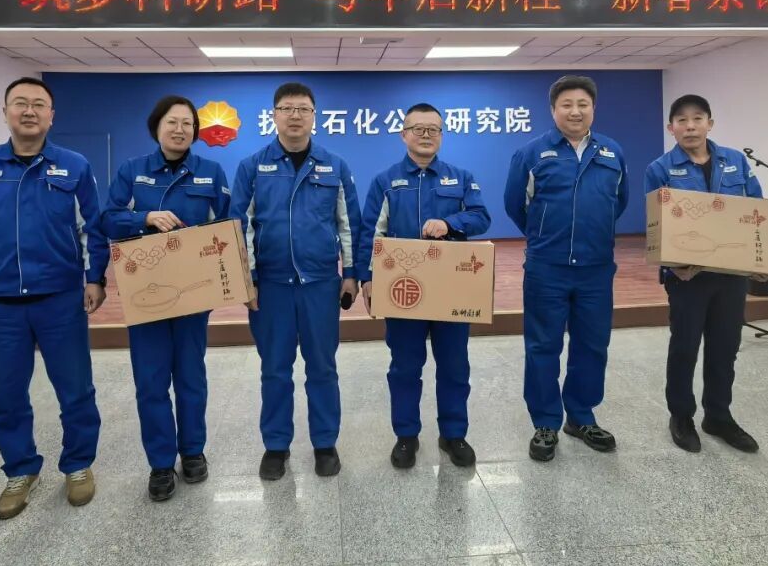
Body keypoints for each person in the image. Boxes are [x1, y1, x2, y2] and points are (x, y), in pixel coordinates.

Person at [0, 77, 108, 519]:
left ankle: (78, 464)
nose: (29, 111)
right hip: (0, 304)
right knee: (6, 395)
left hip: (60, 300)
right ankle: (20, 469)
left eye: (38, 104)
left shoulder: (73, 167)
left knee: (76, 389)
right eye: (20, 103)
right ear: (5, 113)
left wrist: (95, 278)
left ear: (52, 116)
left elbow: (91, 229)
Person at [101, 95, 230, 501]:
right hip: (145, 292)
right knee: (151, 380)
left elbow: (228, 225)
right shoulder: (132, 171)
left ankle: (192, 451)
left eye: (187, 124)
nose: (180, 130)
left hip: (192, 292)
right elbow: (107, 218)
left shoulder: (210, 172)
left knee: (191, 375)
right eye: (172, 122)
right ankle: (160, 462)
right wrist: (144, 218)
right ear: (156, 128)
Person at [230, 82, 361, 480]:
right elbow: (239, 227)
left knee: (323, 367)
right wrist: (248, 280)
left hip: (320, 284)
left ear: (314, 116)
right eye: (287, 108)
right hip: (271, 287)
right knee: (274, 369)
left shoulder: (335, 166)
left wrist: (351, 275)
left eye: (303, 109)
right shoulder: (252, 167)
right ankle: (276, 445)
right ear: (274, 115)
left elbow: (348, 225)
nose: (295, 116)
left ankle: (325, 443)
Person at [356, 103, 490, 469]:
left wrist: (450, 223)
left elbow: (481, 217)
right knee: (404, 366)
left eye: (434, 129)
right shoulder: (385, 182)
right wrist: (368, 279)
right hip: (404, 289)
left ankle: (453, 434)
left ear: (442, 135)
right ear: (404, 135)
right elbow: (371, 232)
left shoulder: (460, 178)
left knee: (454, 364)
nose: (426, 135)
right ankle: (406, 435)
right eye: (418, 129)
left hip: (449, 288)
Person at [504, 75, 628, 462]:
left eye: (583, 104)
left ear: (593, 108)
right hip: (547, 268)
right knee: (543, 345)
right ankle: (545, 422)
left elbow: (619, 203)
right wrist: (544, 236)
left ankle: (581, 416)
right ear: (553, 110)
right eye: (567, 105)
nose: (575, 111)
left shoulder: (612, 152)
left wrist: (593, 233)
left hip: (596, 268)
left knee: (592, 344)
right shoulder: (531, 153)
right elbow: (514, 205)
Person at [644, 94, 764, 454]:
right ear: (671, 128)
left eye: (697, 118)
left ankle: (719, 416)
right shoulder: (660, 169)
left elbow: (756, 210)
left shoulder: (735, 162)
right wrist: (672, 264)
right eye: (681, 120)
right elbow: (656, 225)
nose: (690, 126)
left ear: (710, 123)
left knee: (725, 347)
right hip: (687, 277)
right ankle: (681, 416)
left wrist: (759, 259)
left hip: (731, 273)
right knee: (685, 347)